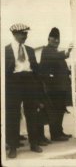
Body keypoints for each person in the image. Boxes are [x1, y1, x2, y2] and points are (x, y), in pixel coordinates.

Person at [5, 23, 43, 158]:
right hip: (14, 83)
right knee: (13, 115)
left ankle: (34, 143)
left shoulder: (30, 50)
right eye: (22, 34)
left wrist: (38, 87)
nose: (25, 36)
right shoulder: (6, 50)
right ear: (14, 34)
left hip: (29, 81)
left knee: (32, 113)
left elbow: (36, 70)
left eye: (26, 34)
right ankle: (13, 147)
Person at [39, 27, 73, 141]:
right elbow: (56, 57)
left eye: (58, 39)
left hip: (60, 88)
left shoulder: (55, 52)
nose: (56, 41)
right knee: (55, 112)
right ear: (49, 39)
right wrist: (67, 52)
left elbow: (61, 67)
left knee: (60, 111)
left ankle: (59, 131)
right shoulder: (47, 50)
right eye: (54, 38)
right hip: (53, 88)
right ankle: (55, 134)